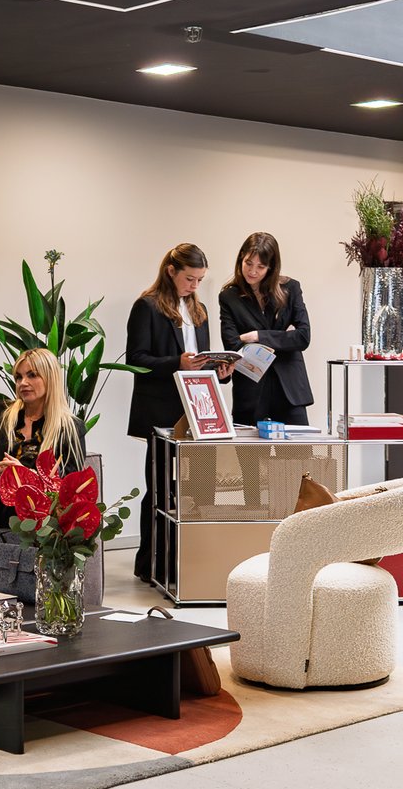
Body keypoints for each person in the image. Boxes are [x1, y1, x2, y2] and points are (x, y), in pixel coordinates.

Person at [125, 243, 229, 584]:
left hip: (198, 409)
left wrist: (220, 370)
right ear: (171, 271)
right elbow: (135, 360)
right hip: (160, 409)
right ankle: (151, 564)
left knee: (200, 491)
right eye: (190, 279)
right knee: (159, 489)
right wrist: (177, 363)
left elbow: (202, 359)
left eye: (200, 280)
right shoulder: (147, 306)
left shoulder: (199, 310)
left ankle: (190, 562)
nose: (195, 286)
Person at [0, 348, 86, 530]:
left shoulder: (71, 427)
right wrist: (2, 474)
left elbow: (69, 485)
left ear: (50, 378)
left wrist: (25, 476)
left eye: (32, 375)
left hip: (37, 510)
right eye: (18, 377)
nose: (23, 383)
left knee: (21, 496)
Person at [216, 232, 313, 425]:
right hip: (250, 391)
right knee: (247, 446)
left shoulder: (291, 288)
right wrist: (283, 338)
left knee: (299, 446)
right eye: (248, 263)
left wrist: (257, 336)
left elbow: (303, 337)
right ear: (241, 258)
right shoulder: (229, 297)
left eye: (260, 267)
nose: (252, 271)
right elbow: (233, 345)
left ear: (271, 267)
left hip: (289, 390)